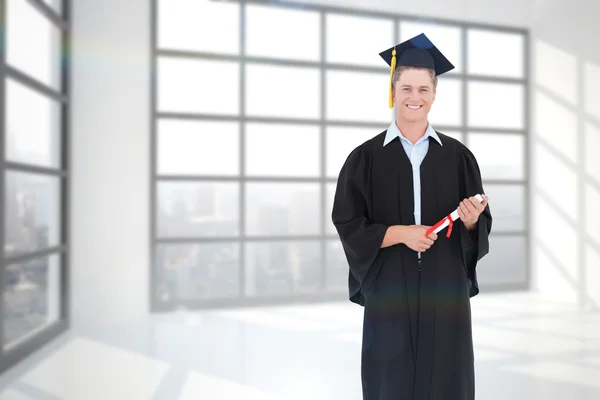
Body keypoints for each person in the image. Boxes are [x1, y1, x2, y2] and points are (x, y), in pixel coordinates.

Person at [331, 33, 492, 400]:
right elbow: (348, 223)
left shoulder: (458, 156)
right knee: (391, 378)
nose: (414, 97)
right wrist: (401, 234)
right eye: (406, 88)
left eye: (423, 89)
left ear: (434, 93)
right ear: (393, 90)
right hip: (389, 283)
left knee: (448, 376)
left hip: (444, 284)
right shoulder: (365, 158)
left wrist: (470, 219)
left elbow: (479, 225)